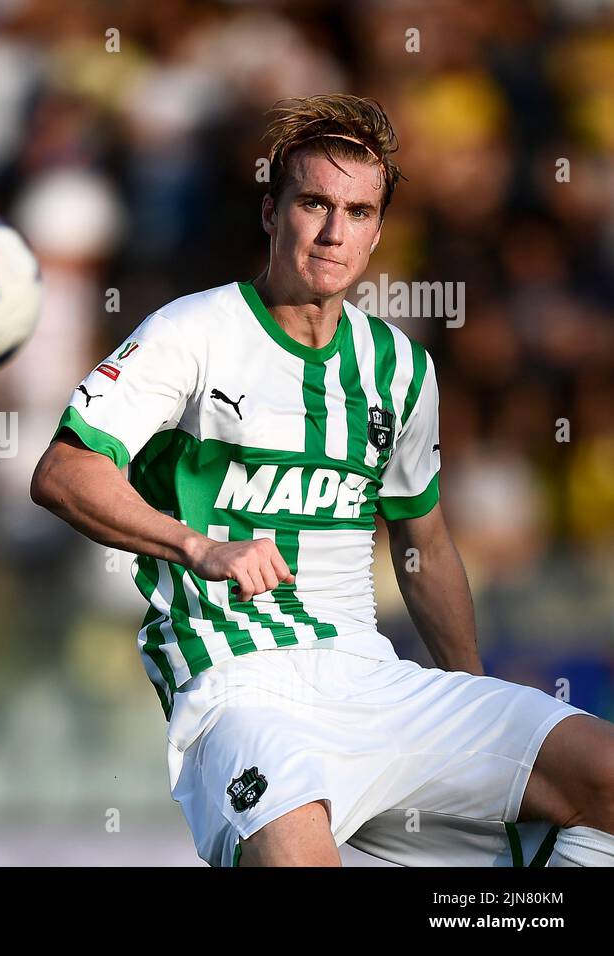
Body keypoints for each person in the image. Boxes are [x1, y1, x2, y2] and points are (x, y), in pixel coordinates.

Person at [30, 93, 614, 867]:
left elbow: (424, 548)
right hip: (238, 690)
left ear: (378, 229)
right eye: (314, 203)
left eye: (359, 211)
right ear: (271, 212)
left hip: (368, 673)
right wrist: (198, 546)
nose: (336, 231)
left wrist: (476, 703)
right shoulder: (191, 333)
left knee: (602, 776)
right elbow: (64, 472)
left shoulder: (400, 368)